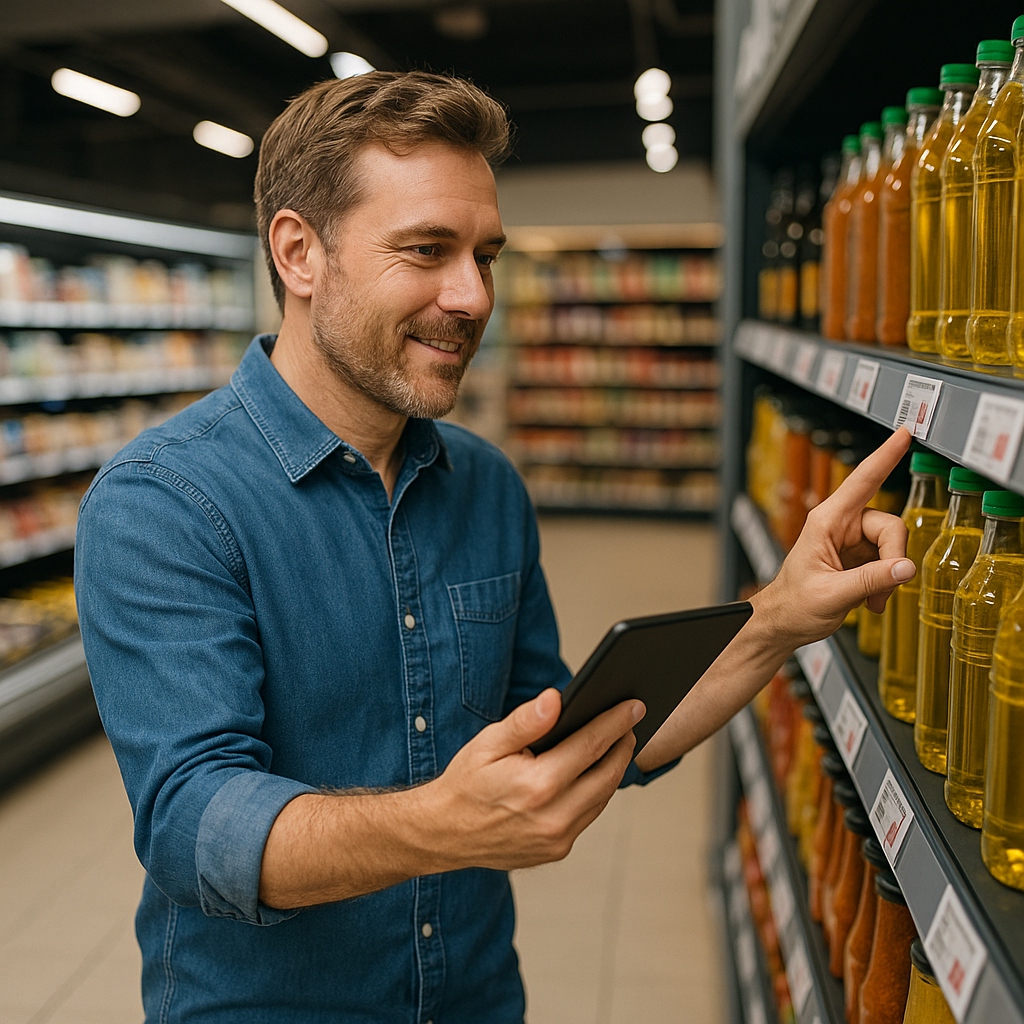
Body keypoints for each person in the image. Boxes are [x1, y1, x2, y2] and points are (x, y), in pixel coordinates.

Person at [74, 71, 916, 1024]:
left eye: (486, 256)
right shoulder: (166, 503)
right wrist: (441, 825)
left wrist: (779, 617)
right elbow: (192, 825)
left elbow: (576, 732)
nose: (473, 296)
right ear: (300, 253)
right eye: (427, 250)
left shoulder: (485, 486)